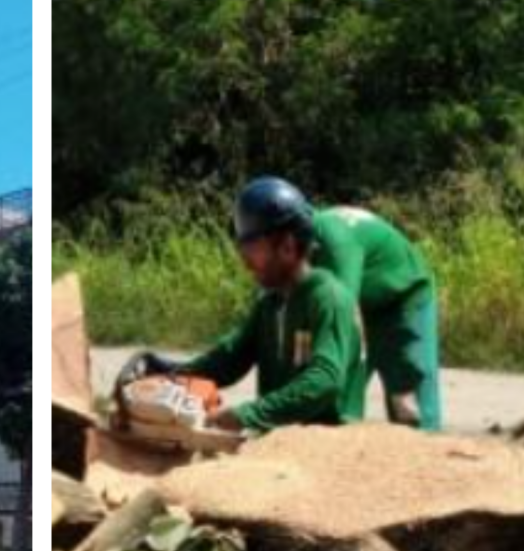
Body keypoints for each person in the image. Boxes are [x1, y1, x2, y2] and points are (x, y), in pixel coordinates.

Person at [117, 177, 366, 435]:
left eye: (253, 250)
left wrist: (248, 415)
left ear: (288, 247)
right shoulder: (271, 303)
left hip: (330, 441)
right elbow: (230, 358)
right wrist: (172, 374)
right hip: (281, 440)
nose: (246, 263)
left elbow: (324, 380)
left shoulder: (327, 298)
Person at [309, 197, 442, 430]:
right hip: (365, 300)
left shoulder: (337, 243)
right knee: (336, 393)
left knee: (408, 394)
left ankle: (426, 441)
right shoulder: (291, 247)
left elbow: (346, 317)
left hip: (404, 294)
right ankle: (340, 428)